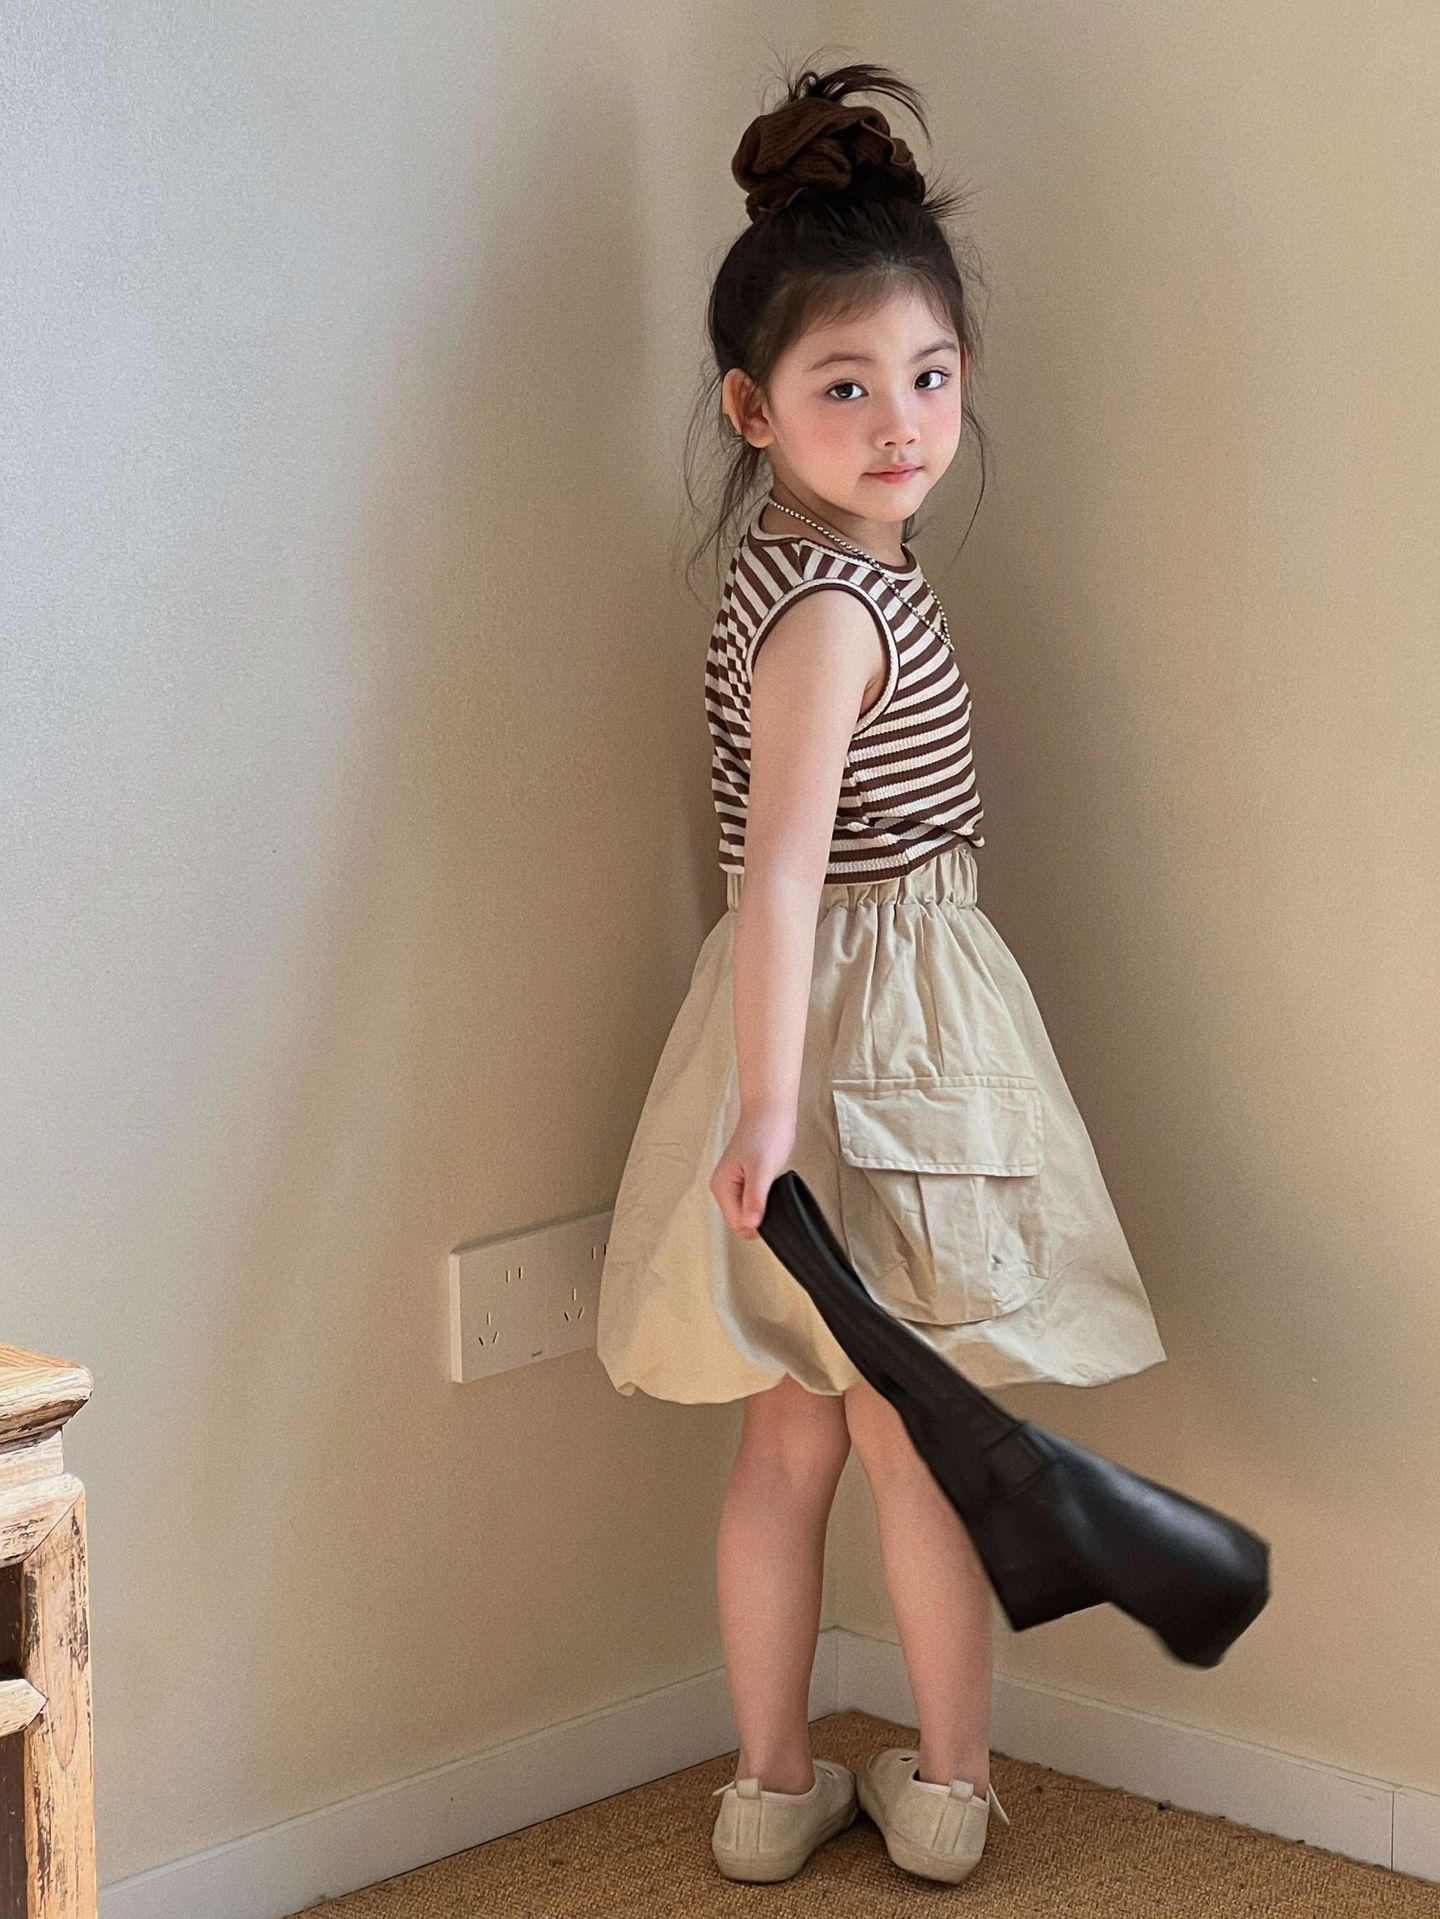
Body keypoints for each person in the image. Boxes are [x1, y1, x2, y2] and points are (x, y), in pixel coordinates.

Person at [596, 56, 1167, 1887]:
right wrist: (772, 1112)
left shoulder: (792, 573)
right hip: (872, 1049)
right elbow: (780, 874)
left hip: (810, 1038)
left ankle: (773, 1788)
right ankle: (947, 1786)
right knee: (911, 1450)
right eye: (845, 385)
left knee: (791, 1444)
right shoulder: (841, 609)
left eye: (928, 376)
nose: (900, 419)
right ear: (753, 408)